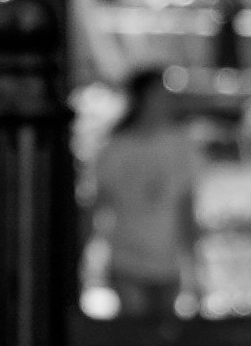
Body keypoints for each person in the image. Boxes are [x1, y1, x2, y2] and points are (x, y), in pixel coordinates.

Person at [87, 68, 211, 324]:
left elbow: (186, 209)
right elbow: (96, 208)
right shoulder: (116, 149)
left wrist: (195, 269)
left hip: (167, 262)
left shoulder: (181, 146)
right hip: (127, 260)